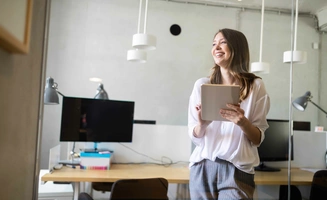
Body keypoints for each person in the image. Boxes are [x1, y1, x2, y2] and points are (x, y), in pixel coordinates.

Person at [188, 28, 270, 200]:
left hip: (238, 170)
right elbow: (195, 136)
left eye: (222, 42)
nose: (216, 47)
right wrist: (202, 125)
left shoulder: (255, 86)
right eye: (214, 43)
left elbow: (257, 139)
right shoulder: (201, 85)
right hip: (202, 166)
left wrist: (243, 122)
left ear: (237, 48)